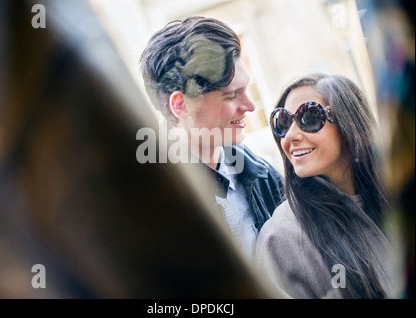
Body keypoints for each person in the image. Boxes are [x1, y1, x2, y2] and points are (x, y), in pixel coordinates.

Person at [139, 17, 284, 261]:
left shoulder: (266, 176)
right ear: (180, 105)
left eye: (246, 89)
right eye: (231, 96)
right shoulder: (142, 206)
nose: (249, 106)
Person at [255, 73, 400, 298]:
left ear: (347, 125)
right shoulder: (281, 239)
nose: (290, 136)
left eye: (310, 117)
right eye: (283, 122)